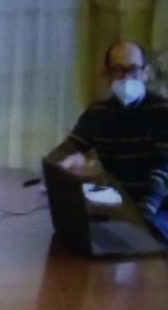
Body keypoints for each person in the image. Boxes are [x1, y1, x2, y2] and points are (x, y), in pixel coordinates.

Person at [47, 41, 168, 240]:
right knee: (71, 235)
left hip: (159, 208)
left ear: (146, 73)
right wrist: (55, 172)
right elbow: (66, 150)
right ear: (107, 75)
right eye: (118, 70)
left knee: (150, 235)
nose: (127, 77)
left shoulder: (163, 112)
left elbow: (163, 172)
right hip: (118, 205)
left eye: (134, 70)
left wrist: (139, 217)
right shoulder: (98, 113)